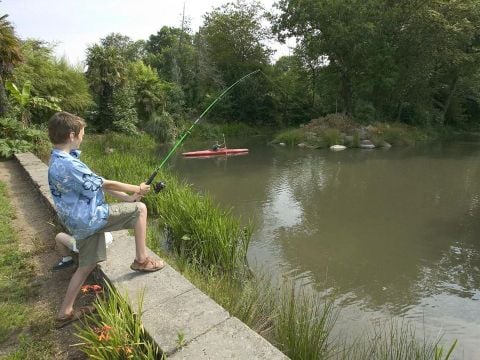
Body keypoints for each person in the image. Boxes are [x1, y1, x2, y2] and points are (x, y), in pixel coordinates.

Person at [47, 111, 164, 327]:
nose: (83, 136)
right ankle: (141, 261)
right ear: (72, 135)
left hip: (79, 221)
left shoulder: (57, 159)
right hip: (89, 218)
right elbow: (104, 184)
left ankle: (65, 312)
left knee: (87, 265)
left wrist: (128, 197)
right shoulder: (68, 165)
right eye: (82, 133)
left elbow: (91, 187)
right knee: (140, 209)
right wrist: (137, 189)